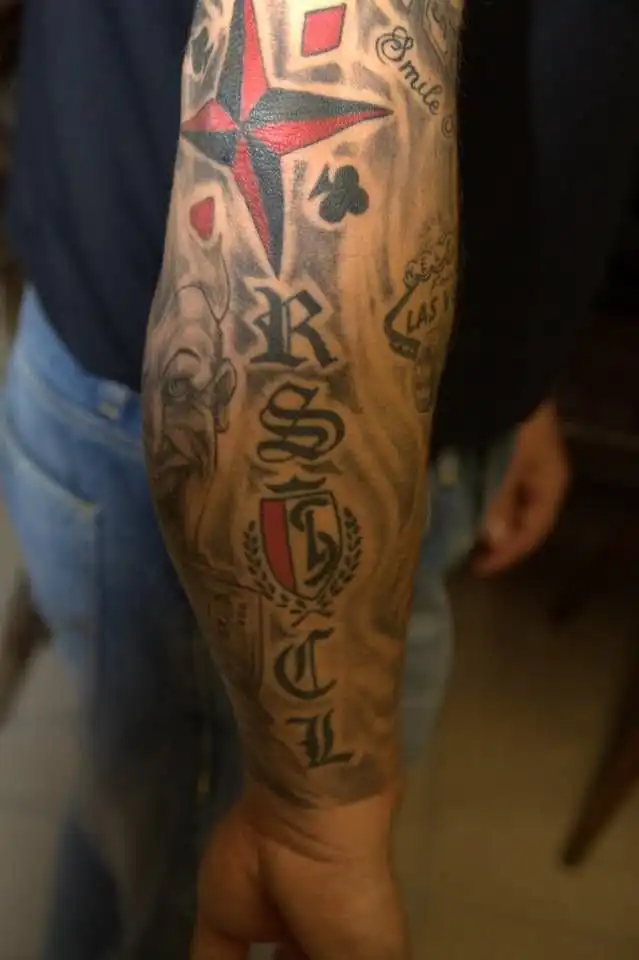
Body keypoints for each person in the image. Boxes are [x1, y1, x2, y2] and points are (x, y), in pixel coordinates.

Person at [2, 0, 638, 957]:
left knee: (147, 814)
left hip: (404, 395)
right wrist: (312, 812)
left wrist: (516, 377)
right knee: (177, 873)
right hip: (212, 427)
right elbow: (316, 58)